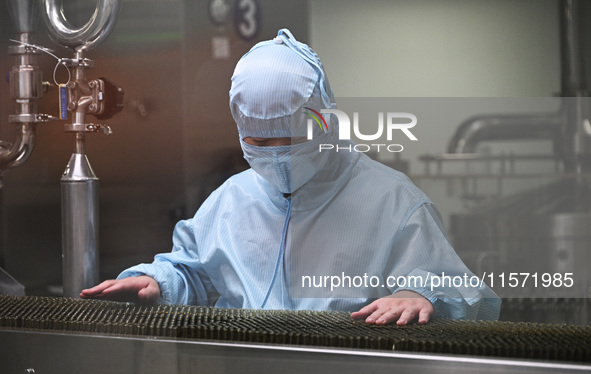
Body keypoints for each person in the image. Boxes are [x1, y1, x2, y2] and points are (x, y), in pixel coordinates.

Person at [82, 29, 501, 325]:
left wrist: (417, 296)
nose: (276, 155)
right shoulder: (232, 198)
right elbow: (196, 273)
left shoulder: (392, 200)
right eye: (258, 143)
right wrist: (159, 282)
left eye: (289, 139)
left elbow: (457, 288)